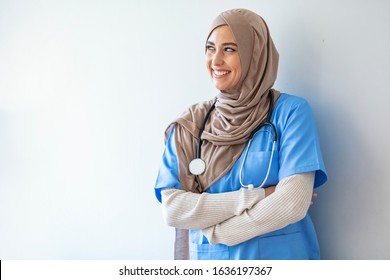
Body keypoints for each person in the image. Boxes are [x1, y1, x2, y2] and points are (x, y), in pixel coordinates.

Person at [154, 8, 328, 260]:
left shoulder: (291, 113)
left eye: (229, 49)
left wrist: (220, 232)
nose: (215, 61)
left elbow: (291, 203)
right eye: (210, 48)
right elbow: (173, 209)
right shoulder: (191, 124)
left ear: (254, 55)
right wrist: (261, 195)